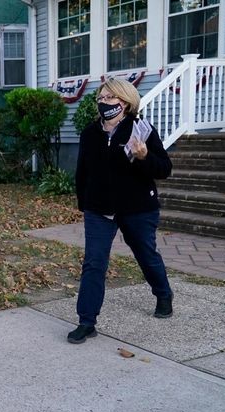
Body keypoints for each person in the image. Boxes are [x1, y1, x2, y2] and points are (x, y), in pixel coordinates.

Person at [68, 77, 174, 344]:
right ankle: (87, 321)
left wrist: (144, 157)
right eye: (101, 99)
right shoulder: (90, 133)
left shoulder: (142, 130)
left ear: (125, 103)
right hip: (99, 210)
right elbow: (83, 172)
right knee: (94, 263)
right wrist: (85, 203)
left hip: (137, 208)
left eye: (109, 98)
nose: (104, 103)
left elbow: (164, 169)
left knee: (145, 254)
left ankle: (163, 293)